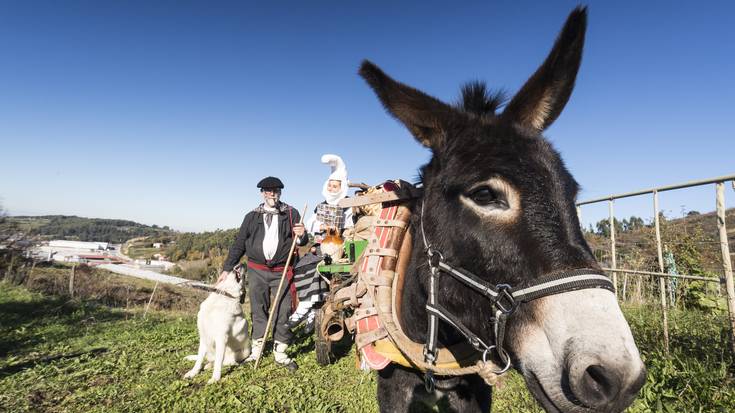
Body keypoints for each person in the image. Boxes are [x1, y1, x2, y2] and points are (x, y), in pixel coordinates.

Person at [219, 176, 308, 371]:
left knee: (283, 309)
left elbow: (301, 242)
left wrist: (302, 235)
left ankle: (280, 351)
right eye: (268, 191)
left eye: (275, 190)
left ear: (280, 192)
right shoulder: (252, 216)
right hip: (257, 270)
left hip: (282, 270)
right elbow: (239, 244)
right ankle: (257, 349)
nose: (272, 194)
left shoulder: (291, 213)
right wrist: (227, 268)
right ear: (262, 193)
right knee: (259, 308)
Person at [287, 155, 353, 334]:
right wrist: (321, 225)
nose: (332, 188)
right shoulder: (321, 205)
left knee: (321, 266)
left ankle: (309, 307)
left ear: (342, 187)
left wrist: (338, 228)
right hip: (320, 247)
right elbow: (310, 223)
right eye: (330, 185)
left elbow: (351, 228)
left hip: (338, 248)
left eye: (336, 186)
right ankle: (309, 305)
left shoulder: (348, 206)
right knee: (302, 264)